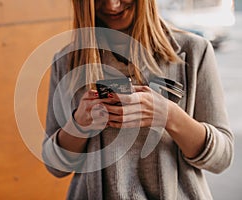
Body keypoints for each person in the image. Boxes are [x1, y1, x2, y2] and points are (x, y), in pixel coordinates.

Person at [42, 0, 234, 199]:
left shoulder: (194, 51)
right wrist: (79, 124)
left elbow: (222, 158)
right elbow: (55, 167)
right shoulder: (66, 61)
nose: (112, 6)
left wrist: (170, 116)